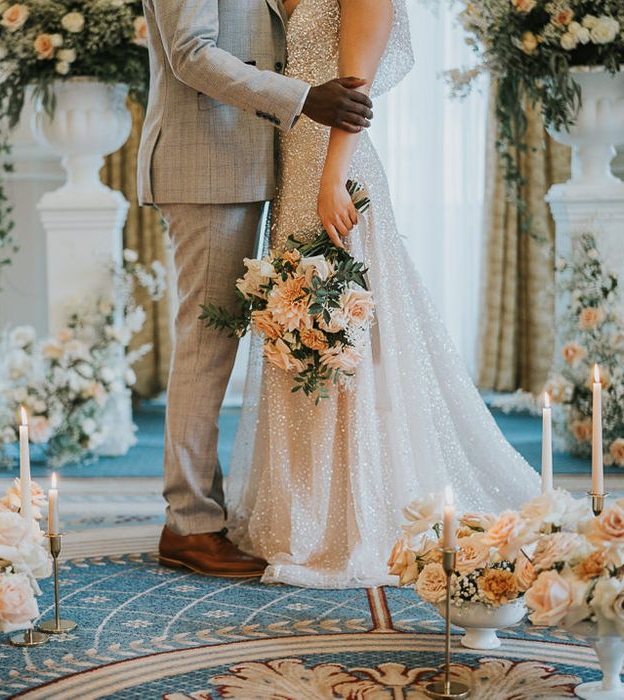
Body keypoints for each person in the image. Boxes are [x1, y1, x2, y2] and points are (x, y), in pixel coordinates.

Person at [226, 0, 540, 588]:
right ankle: (309, 511)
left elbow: (355, 89)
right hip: (294, 173)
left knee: (345, 337)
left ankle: (357, 512)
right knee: (297, 333)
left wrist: (331, 176)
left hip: (335, 175)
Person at [137, 0, 374, 577]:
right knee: (205, 345)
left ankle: (204, 511)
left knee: (220, 342)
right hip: (207, 166)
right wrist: (302, 99)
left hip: (254, 162)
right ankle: (188, 524)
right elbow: (191, 54)